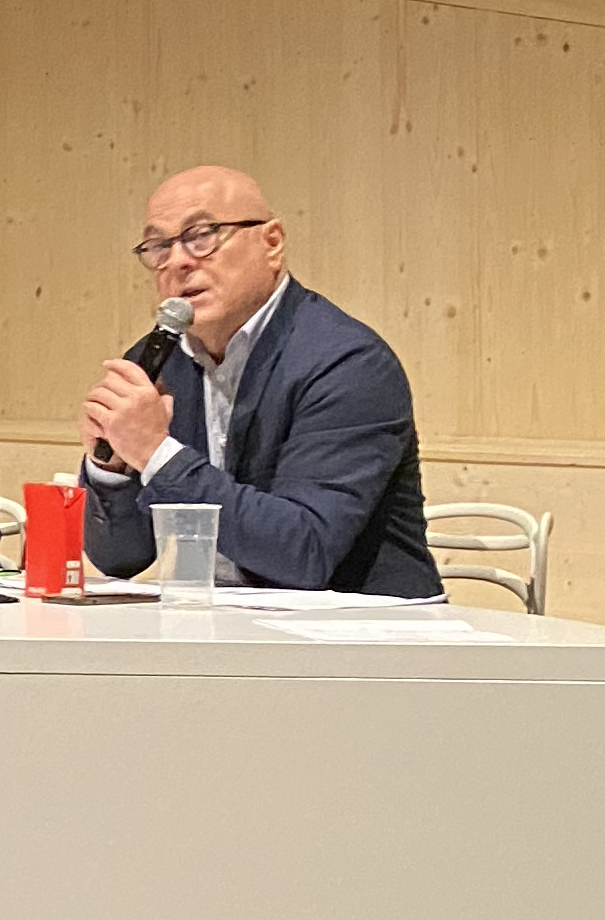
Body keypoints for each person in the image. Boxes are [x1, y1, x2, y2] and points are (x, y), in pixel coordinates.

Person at [78, 165, 440, 597]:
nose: (177, 262)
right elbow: (120, 559)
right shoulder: (157, 362)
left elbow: (303, 552)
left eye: (202, 235)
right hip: (224, 617)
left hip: (365, 623)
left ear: (272, 243)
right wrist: (112, 469)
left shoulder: (348, 363)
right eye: (158, 246)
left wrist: (156, 453)